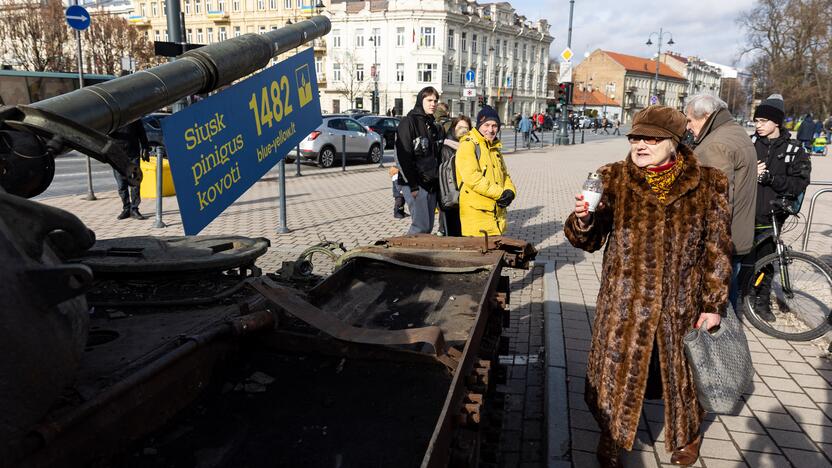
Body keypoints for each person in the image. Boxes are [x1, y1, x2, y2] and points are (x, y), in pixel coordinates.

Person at [565, 105, 732, 467]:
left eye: (651, 138)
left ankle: (688, 435)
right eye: (636, 137)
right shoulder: (614, 178)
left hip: (680, 305)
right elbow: (588, 241)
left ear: (674, 142)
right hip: (625, 302)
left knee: (682, 376)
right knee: (617, 374)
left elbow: (717, 250)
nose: (640, 145)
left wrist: (713, 305)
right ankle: (611, 438)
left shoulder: (709, 183)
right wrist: (583, 219)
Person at [684, 94, 757, 310]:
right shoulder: (735, 132)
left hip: (721, 239)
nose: (688, 126)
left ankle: (716, 341)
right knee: (728, 293)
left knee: (716, 304)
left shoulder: (715, 145)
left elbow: (716, 202)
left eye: (690, 120)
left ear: (705, 116)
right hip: (739, 232)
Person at [747, 94, 812, 320]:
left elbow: (800, 182)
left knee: (766, 260)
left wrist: (771, 178)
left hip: (772, 215)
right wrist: (750, 173)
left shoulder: (795, 150)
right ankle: (738, 297)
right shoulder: (748, 145)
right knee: (742, 259)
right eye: (756, 121)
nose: (758, 125)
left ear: (777, 122)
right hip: (745, 212)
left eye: (763, 121)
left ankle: (762, 301)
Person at [456, 105, 516, 237]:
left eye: (494, 126)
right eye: (486, 125)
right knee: (479, 255)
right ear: (479, 125)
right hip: (477, 216)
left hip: (496, 215)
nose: (490, 130)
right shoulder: (468, 144)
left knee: (495, 254)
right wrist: (501, 193)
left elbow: (504, 175)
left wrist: (510, 191)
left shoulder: (494, 147)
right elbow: (473, 178)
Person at [395, 86, 442, 234]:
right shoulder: (408, 122)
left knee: (427, 227)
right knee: (420, 227)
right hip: (415, 185)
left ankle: (417, 253)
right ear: (421, 100)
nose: (433, 104)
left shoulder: (432, 125)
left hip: (431, 184)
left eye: (435, 100)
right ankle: (405, 255)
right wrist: (413, 186)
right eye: (429, 100)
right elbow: (403, 156)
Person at [437, 115, 471, 236]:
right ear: (453, 128)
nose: (463, 130)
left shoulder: (469, 145)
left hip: (466, 193)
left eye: (466, 128)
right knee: (453, 230)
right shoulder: (448, 147)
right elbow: (448, 175)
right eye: (460, 127)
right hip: (453, 194)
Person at [110, 120, 150, 220]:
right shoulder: (113, 118)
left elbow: (142, 132)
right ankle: (126, 208)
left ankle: (134, 209)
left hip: (133, 155)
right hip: (117, 156)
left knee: (135, 183)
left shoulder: (134, 116)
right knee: (121, 185)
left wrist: (145, 148)